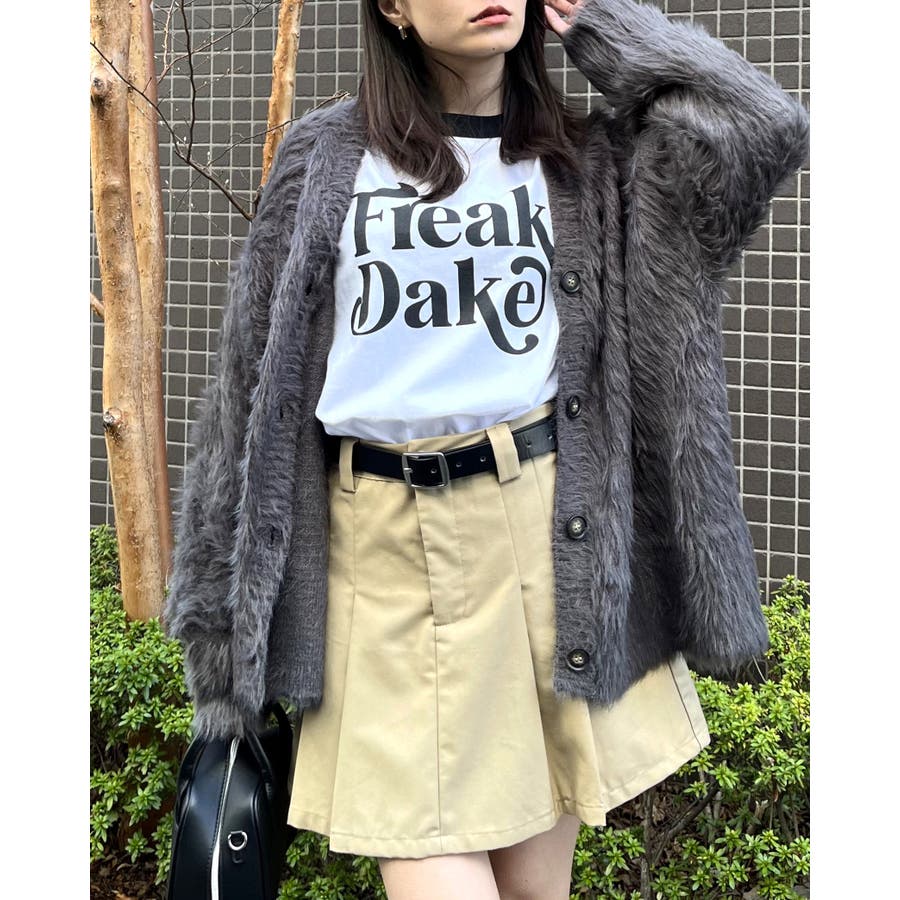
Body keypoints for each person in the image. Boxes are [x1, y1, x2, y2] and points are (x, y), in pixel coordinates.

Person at [163, 1, 810, 898]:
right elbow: (245, 396)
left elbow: (763, 127)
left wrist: (604, 28)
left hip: (545, 542)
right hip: (376, 557)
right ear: (392, 8)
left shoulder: (589, 160)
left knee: (534, 890)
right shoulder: (324, 157)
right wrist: (218, 648)